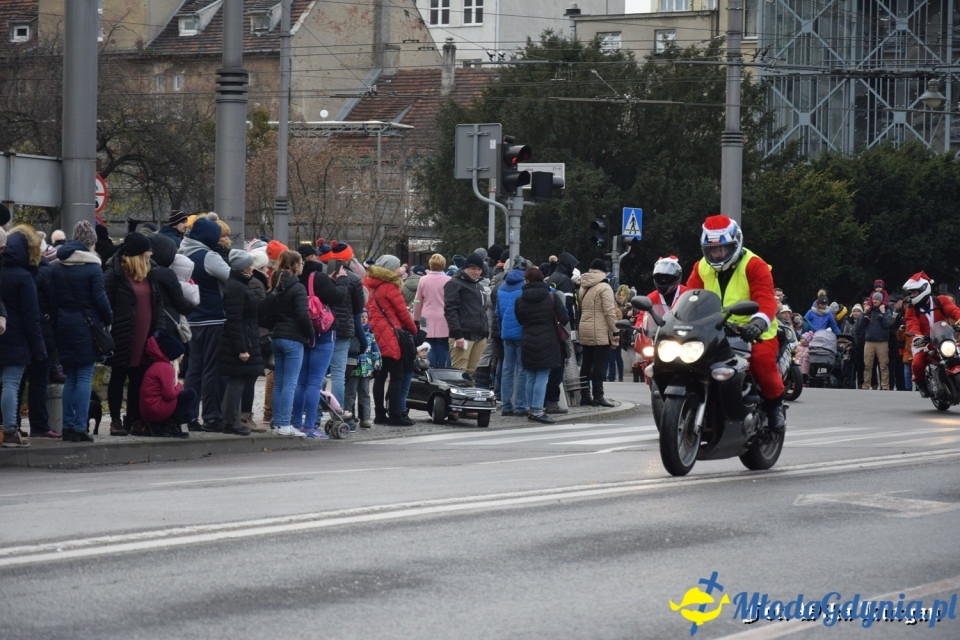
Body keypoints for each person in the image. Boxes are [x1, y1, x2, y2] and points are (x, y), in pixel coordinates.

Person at [686, 215, 785, 432]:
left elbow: (766, 299)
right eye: (712, 250)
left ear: (736, 243)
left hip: (753, 329)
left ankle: (775, 406)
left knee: (761, 361)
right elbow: (690, 297)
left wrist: (758, 323)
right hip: (714, 329)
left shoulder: (754, 265)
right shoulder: (701, 266)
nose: (717, 254)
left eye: (723, 249)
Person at [48, 221, 113, 442]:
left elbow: (52, 299)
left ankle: (67, 426)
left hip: (63, 327)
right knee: (84, 376)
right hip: (86, 326)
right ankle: (79, 426)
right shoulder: (92, 267)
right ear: (90, 243)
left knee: (70, 378)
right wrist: (108, 319)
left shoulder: (57, 266)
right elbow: (100, 300)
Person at [103, 232, 157, 436]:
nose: (150, 254)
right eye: (147, 251)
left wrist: (158, 331)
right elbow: (105, 303)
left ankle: (133, 418)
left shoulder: (150, 273)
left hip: (145, 336)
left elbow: (157, 304)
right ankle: (115, 420)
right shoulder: (115, 274)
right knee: (118, 378)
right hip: (122, 335)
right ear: (137, 254)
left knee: (138, 379)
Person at [179, 216, 231, 432]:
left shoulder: (181, 253)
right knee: (212, 370)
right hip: (213, 318)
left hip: (191, 319)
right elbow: (230, 277)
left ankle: (189, 416)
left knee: (193, 371)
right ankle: (212, 416)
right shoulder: (208, 256)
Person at [0, 226, 47, 448]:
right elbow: (31, 316)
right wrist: (39, 347)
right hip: (17, 338)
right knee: (10, 383)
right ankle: (10, 429)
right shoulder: (24, 277)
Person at [290, 256, 343, 437]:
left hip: (303, 333)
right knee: (314, 382)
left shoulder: (293, 280)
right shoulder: (317, 277)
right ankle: (310, 426)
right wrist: (341, 280)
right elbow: (337, 297)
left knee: (301, 382)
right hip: (323, 333)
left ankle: (296, 423)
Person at [365, 254, 418, 426]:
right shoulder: (390, 287)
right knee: (396, 377)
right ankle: (395, 415)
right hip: (391, 335)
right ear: (389, 269)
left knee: (380, 377)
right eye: (396, 267)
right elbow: (403, 312)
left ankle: (380, 414)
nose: (399, 270)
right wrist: (413, 330)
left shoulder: (370, 285)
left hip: (376, 335)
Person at [265, 250, 313, 437]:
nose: (302, 266)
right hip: (293, 338)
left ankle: (278, 423)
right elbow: (303, 315)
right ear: (294, 265)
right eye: (300, 263)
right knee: (290, 384)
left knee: (279, 383)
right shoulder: (298, 287)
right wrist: (310, 334)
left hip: (277, 336)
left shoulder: (276, 283)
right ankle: (285, 423)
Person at [318, 241, 366, 424]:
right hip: (344, 330)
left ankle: (315, 414)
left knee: (319, 373)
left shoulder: (322, 276)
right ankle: (337, 414)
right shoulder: (354, 279)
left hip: (323, 327)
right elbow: (359, 308)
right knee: (339, 374)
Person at [218, 250, 265, 436]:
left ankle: (231, 420)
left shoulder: (237, 284)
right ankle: (231, 422)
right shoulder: (237, 287)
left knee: (238, 381)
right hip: (242, 340)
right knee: (237, 381)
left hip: (245, 338)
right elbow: (235, 320)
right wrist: (241, 349)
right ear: (244, 267)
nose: (252, 268)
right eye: (250, 265)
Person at [515, 266, 569, 424]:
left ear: (527, 280)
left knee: (530, 376)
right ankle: (538, 410)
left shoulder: (520, 299)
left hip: (527, 340)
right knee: (542, 377)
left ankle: (531, 409)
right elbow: (564, 318)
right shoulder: (551, 297)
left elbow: (520, 319)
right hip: (549, 341)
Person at [902, 272, 960, 397]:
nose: (911, 296)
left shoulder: (941, 300)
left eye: (914, 292)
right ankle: (920, 383)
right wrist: (916, 337)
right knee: (917, 363)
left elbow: (954, 311)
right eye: (910, 293)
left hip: (944, 336)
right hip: (924, 341)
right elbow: (912, 325)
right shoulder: (911, 309)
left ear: (923, 289)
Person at [578, 258, 619, 407]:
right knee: (599, 365)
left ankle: (584, 396)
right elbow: (609, 312)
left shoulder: (584, 285)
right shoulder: (604, 287)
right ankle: (598, 396)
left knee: (586, 364)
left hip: (585, 328)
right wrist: (615, 330)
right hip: (600, 330)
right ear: (604, 271)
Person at [140, 330, 195, 437]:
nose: (182, 356)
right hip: (156, 409)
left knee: (188, 413)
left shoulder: (156, 365)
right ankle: (168, 427)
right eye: (180, 354)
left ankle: (161, 426)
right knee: (190, 395)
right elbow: (169, 394)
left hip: (149, 409)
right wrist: (179, 385)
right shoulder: (165, 368)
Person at [494, 255, 529, 417]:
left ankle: (506, 405)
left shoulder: (501, 286)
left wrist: (503, 330)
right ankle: (520, 405)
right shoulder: (524, 286)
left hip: (506, 333)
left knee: (507, 369)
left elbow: (498, 313)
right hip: (522, 332)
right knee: (522, 369)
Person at [544, 251, 579, 414]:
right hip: (561, 329)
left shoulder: (552, 277)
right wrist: (572, 331)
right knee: (558, 368)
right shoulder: (565, 280)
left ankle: (546, 400)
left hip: (551, 329)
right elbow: (569, 307)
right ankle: (553, 402)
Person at [444, 252, 489, 377]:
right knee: (459, 374)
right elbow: (450, 310)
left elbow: (482, 310)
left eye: (479, 269)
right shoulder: (454, 283)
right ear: (466, 268)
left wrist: (485, 333)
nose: (476, 272)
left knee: (471, 373)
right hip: (463, 336)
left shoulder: (479, 286)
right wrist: (457, 334)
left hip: (479, 336)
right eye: (473, 268)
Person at [412, 253, 451, 368]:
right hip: (444, 317)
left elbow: (417, 300)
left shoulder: (423, 280)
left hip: (426, 317)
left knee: (427, 346)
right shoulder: (449, 280)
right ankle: (441, 370)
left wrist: (416, 317)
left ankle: (429, 369)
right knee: (443, 345)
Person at [345, 309, 380, 429]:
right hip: (354, 368)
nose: (364, 319)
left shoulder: (370, 335)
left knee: (364, 394)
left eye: (366, 317)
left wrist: (377, 364)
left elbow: (375, 351)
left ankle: (365, 418)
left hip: (366, 370)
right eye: (361, 317)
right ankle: (349, 417)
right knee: (350, 394)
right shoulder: (353, 333)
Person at [857, 292, 891, 390]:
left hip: (882, 342)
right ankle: (866, 385)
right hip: (869, 341)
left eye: (877, 299)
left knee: (883, 365)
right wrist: (864, 313)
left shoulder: (886, 310)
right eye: (874, 299)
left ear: (881, 300)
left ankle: (885, 386)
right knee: (867, 365)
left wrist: (883, 313)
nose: (875, 301)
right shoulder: (869, 311)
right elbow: (860, 325)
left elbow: (887, 325)